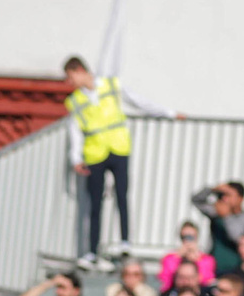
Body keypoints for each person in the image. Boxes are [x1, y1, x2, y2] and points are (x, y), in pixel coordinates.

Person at [62, 54, 180, 269]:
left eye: (70, 77)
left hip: (118, 148)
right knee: (94, 204)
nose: (70, 83)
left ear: (79, 70)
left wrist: (168, 113)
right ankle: (91, 251)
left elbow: (138, 101)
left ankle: (125, 242)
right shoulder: (75, 101)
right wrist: (76, 159)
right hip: (95, 153)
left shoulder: (110, 85)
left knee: (122, 195)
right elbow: (75, 131)